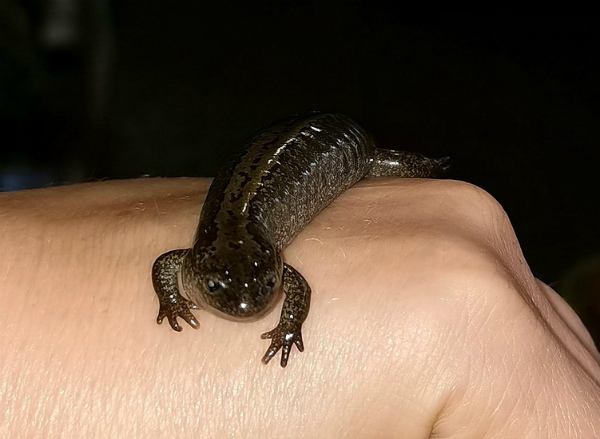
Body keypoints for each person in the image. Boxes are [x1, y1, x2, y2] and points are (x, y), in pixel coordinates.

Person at [1, 177, 598, 438]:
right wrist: (167, 301)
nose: (248, 304)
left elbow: (294, 286)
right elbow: (163, 267)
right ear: (200, 266)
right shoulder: (189, 263)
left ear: (271, 260)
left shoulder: (261, 269)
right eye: (222, 291)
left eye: (265, 285)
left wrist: (290, 328)